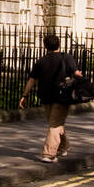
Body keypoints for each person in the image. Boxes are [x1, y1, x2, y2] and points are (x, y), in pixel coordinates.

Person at [20, 34, 80, 162]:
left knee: (54, 124)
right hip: (62, 96)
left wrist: (24, 95)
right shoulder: (67, 58)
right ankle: (63, 147)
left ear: (45, 46)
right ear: (59, 44)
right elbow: (77, 74)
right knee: (55, 125)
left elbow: (32, 80)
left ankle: (49, 154)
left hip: (46, 96)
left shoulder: (41, 61)